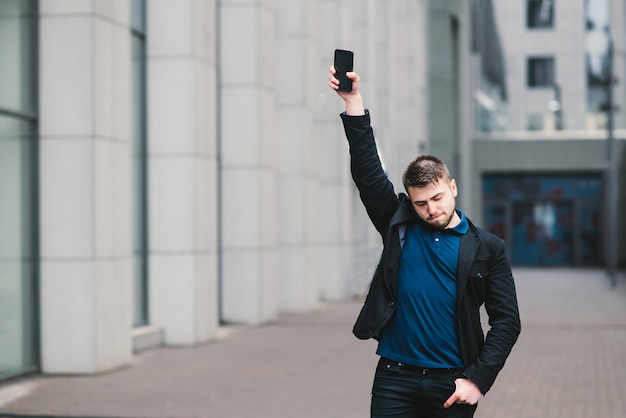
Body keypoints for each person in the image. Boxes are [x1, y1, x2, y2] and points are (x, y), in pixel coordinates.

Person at [328, 66, 521, 418]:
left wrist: (477, 380)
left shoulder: (488, 247)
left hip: (452, 382)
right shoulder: (398, 223)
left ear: (452, 188)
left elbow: (507, 321)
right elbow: (369, 175)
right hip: (394, 377)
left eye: (436, 198)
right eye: (420, 203)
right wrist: (353, 102)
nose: (430, 210)